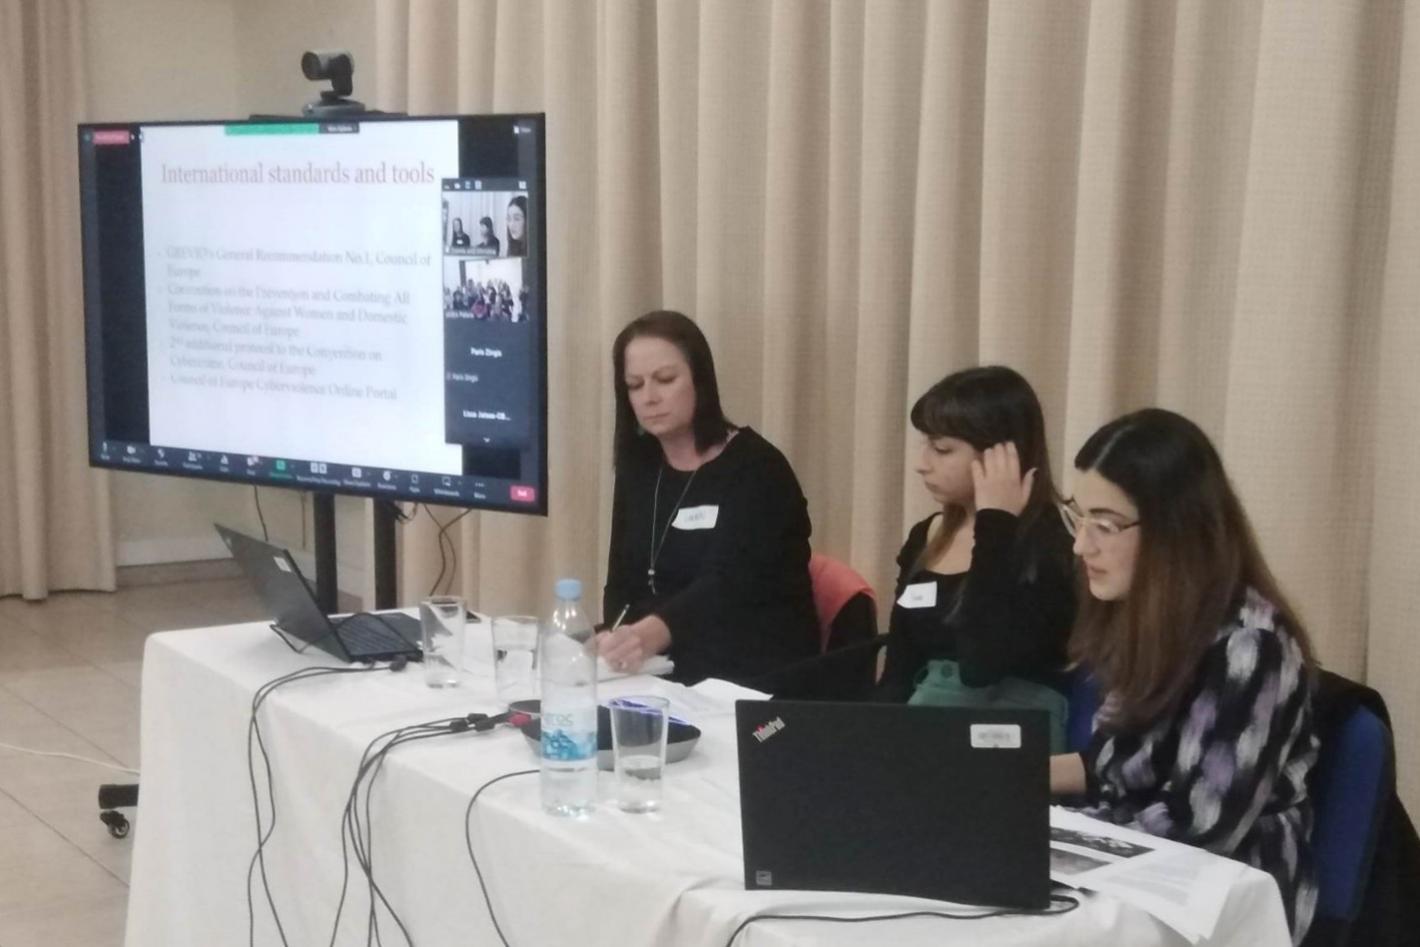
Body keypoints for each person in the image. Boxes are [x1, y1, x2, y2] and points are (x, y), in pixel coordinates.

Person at [1050, 408, 1318, 943]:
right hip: (1135, 863)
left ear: (1175, 531)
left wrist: (1058, 842)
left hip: (1219, 896)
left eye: (1105, 524)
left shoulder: (1250, 646)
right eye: (1077, 517)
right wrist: (1001, 780)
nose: (1081, 545)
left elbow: (1201, 825)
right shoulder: (1149, 620)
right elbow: (1112, 765)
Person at [598, 310, 819, 685]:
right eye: (635, 385)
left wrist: (648, 636)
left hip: (749, 666)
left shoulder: (758, 469)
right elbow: (622, 580)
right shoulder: (640, 467)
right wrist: (614, 638)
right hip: (660, 663)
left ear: (700, 379)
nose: (650, 397)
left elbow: (728, 584)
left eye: (665, 380)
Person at [877, 366, 1075, 703]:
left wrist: (995, 524)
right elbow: (898, 672)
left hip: (1004, 723)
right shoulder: (928, 534)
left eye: (942, 450)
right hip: (922, 719)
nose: (922, 464)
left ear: (1002, 455)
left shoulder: (1050, 544)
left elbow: (980, 664)